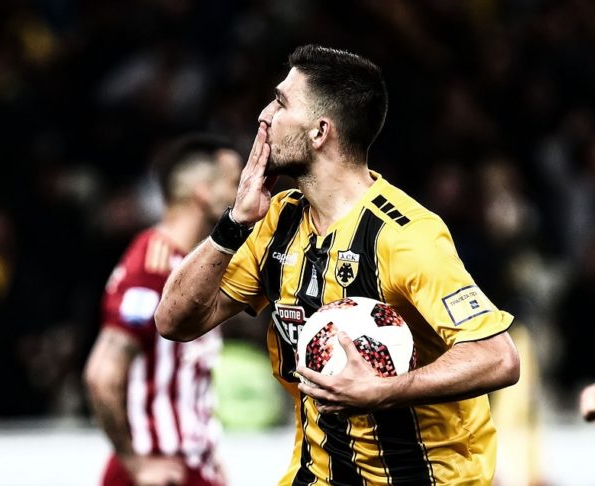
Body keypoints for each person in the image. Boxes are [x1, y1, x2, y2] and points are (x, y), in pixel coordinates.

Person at [155, 45, 520, 485]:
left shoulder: (405, 236)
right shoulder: (275, 222)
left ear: (320, 132)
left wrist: (383, 391)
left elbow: (497, 357)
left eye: (281, 103)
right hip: (318, 475)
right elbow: (174, 320)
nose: (264, 116)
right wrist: (233, 223)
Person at [83, 134, 242, 486]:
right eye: (233, 182)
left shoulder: (191, 265)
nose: (241, 194)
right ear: (203, 191)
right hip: (161, 468)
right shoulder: (152, 265)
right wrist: (135, 464)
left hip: (191, 462)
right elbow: (101, 373)